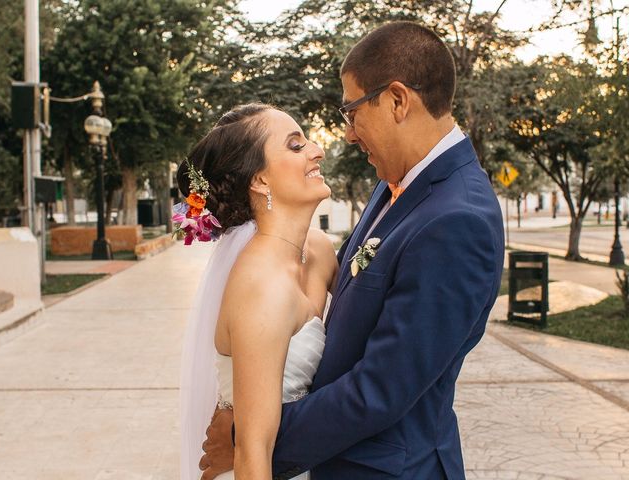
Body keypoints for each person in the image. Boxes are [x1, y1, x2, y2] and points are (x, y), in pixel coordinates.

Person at [200, 21, 505, 480]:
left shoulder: (457, 219)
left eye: (351, 112)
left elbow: (381, 389)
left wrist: (251, 440)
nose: (345, 134)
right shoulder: (395, 183)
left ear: (397, 100)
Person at [178, 103, 338, 480]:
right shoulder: (260, 285)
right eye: (296, 146)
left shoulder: (318, 250)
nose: (317, 149)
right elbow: (252, 451)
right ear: (261, 181)